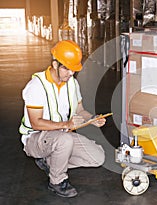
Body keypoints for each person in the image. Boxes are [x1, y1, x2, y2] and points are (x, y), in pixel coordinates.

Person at [19, 40, 106, 198]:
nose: (71, 73)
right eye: (67, 68)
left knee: (97, 157)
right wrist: (66, 124)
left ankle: (51, 162)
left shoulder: (72, 84)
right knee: (65, 140)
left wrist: (93, 119)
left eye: (74, 70)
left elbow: (80, 110)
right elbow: (35, 122)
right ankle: (57, 181)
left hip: (61, 134)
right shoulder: (37, 86)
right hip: (36, 138)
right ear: (54, 64)